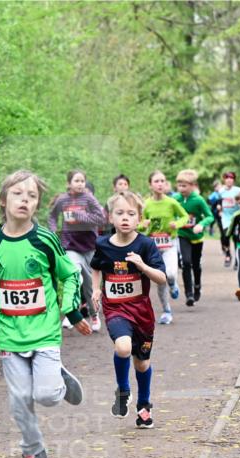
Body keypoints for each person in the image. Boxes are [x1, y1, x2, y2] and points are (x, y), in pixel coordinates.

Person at [0, 169, 92, 458]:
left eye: (32, 196)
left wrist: (72, 311)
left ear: (37, 205)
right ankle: (34, 454)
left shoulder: (45, 240)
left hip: (45, 331)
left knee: (45, 396)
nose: (24, 200)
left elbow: (70, 274)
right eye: (18, 194)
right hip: (10, 334)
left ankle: (56, 380)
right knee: (19, 399)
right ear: (3, 200)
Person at [91, 190, 167, 428]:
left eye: (131, 213)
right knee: (122, 346)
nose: (125, 218)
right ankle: (123, 391)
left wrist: (142, 265)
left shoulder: (145, 244)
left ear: (139, 218)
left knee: (141, 363)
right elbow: (96, 267)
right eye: (119, 213)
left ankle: (144, 406)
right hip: (115, 308)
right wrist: (95, 289)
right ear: (110, 217)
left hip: (142, 311)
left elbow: (162, 278)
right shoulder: (103, 244)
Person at [48, 170, 107, 333]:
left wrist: (81, 216)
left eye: (82, 181)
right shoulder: (62, 200)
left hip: (89, 247)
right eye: (77, 180)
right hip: (70, 246)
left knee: (89, 287)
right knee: (74, 275)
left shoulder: (88, 199)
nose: (80, 183)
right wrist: (52, 231)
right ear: (69, 184)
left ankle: (94, 315)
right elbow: (52, 216)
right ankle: (71, 312)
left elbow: (101, 219)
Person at [140, 170, 186, 325]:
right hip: (152, 247)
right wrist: (142, 224)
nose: (160, 184)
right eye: (156, 181)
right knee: (160, 279)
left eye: (163, 181)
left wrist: (177, 224)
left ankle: (173, 284)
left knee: (171, 274)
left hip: (169, 244)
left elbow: (185, 216)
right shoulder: (146, 204)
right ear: (150, 185)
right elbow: (137, 223)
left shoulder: (171, 202)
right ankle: (167, 311)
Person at [171, 169, 214, 306]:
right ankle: (189, 294)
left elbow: (210, 216)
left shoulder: (198, 200)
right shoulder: (175, 200)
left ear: (192, 185)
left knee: (196, 264)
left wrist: (201, 224)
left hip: (196, 236)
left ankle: (197, 286)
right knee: (186, 262)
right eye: (179, 185)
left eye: (185, 186)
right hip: (183, 235)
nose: (181, 189)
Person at [217, 171, 240, 269]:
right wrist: (219, 207)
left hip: (236, 216)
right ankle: (228, 254)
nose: (229, 180)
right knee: (225, 237)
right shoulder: (221, 191)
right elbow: (218, 201)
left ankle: (237, 260)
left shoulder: (238, 190)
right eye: (227, 178)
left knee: (236, 238)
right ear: (224, 180)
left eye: (231, 178)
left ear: (234, 180)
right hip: (226, 217)